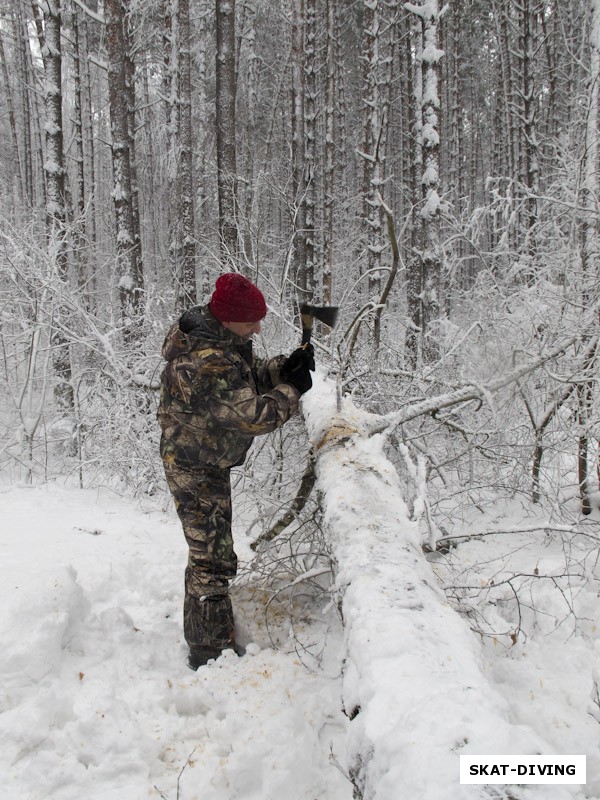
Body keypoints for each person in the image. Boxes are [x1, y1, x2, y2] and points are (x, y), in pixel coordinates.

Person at [157, 273, 315, 669]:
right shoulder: (204, 361)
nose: (259, 328)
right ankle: (208, 651)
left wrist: (283, 368)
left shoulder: (223, 340)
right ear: (228, 318)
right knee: (211, 558)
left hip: (205, 457)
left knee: (211, 552)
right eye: (252, 321)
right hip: (194, 465)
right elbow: (253, 416)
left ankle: (207, 636)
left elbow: (245, 376)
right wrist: (292, 389)